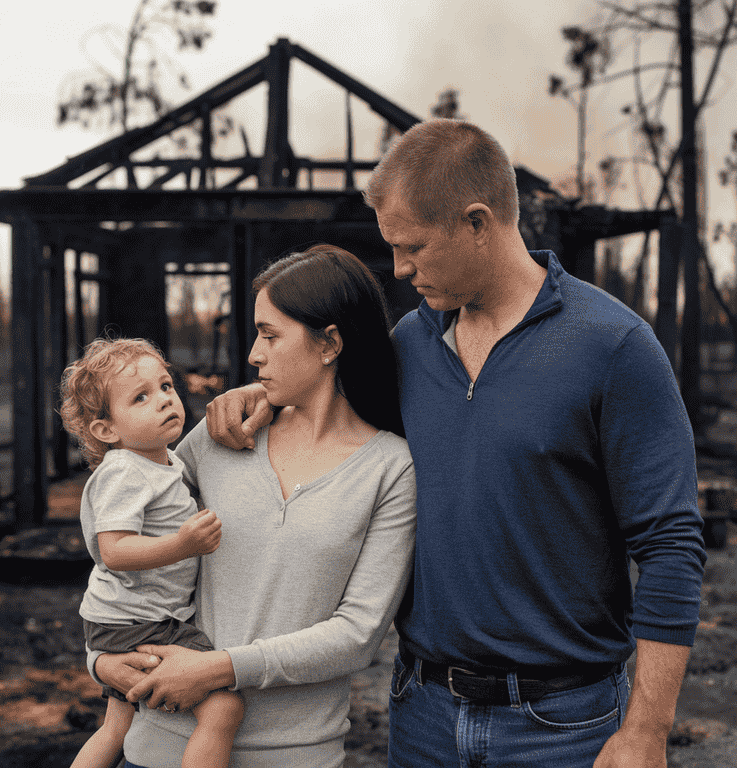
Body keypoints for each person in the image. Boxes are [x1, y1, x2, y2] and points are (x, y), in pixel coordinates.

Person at [204, 119, 707, 768]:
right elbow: (333, 416)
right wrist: (266, 400)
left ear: (478, 222)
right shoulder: (409, 345)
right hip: (423, 715)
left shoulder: (614, 349)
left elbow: (671, 543)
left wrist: (647, 730)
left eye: (411, 246)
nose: (399, 268)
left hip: (563, 726)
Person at [87, 245, 417, 768]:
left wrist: (217, 669)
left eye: (269, 334)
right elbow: (122, 562)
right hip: (159, 746)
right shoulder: (219, 437)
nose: (253, 355)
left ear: (329, 342)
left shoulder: (389, 468)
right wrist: (101, 659)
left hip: (296, 755)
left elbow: (358, 634)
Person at [59, 337, 244, 768]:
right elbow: (114, 550)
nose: (163, 400)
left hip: (124, 619)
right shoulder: (124, 470)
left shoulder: (166, 460)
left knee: (116, 728)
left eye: (165, 386)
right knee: (224, 709)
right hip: (140, 623)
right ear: (107, 431)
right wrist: (182, 545)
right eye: (140, 397)